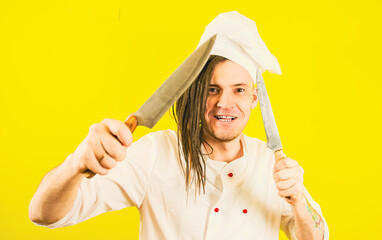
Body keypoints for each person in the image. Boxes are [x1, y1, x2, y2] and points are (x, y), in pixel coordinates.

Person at [29, 11, 329, 240]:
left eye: (238, 89)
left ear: (253, 99)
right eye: (213, 89)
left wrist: (299, 200)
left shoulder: (270, 165)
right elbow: (43, 214)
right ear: (197, 94)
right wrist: (77, 163)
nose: (225, 103)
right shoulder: (155, 153)